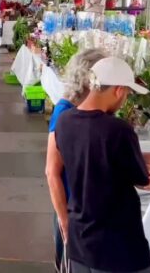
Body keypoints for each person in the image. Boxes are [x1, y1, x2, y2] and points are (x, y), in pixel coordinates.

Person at [49, 57, 150, 273]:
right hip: (117, 245)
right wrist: (149, 173)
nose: (124, 100)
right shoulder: (118, 129)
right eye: (126, 94)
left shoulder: (64, 120)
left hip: (80, 237)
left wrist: (143, 156)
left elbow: (88, 153)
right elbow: (142, 179)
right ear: (118, 90)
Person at [44, 48, 107, 272]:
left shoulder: (87, 109)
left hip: (86, 207)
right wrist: (64, 219)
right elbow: (52, 172)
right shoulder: (65, 112)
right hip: (71, 207)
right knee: (70, 262)